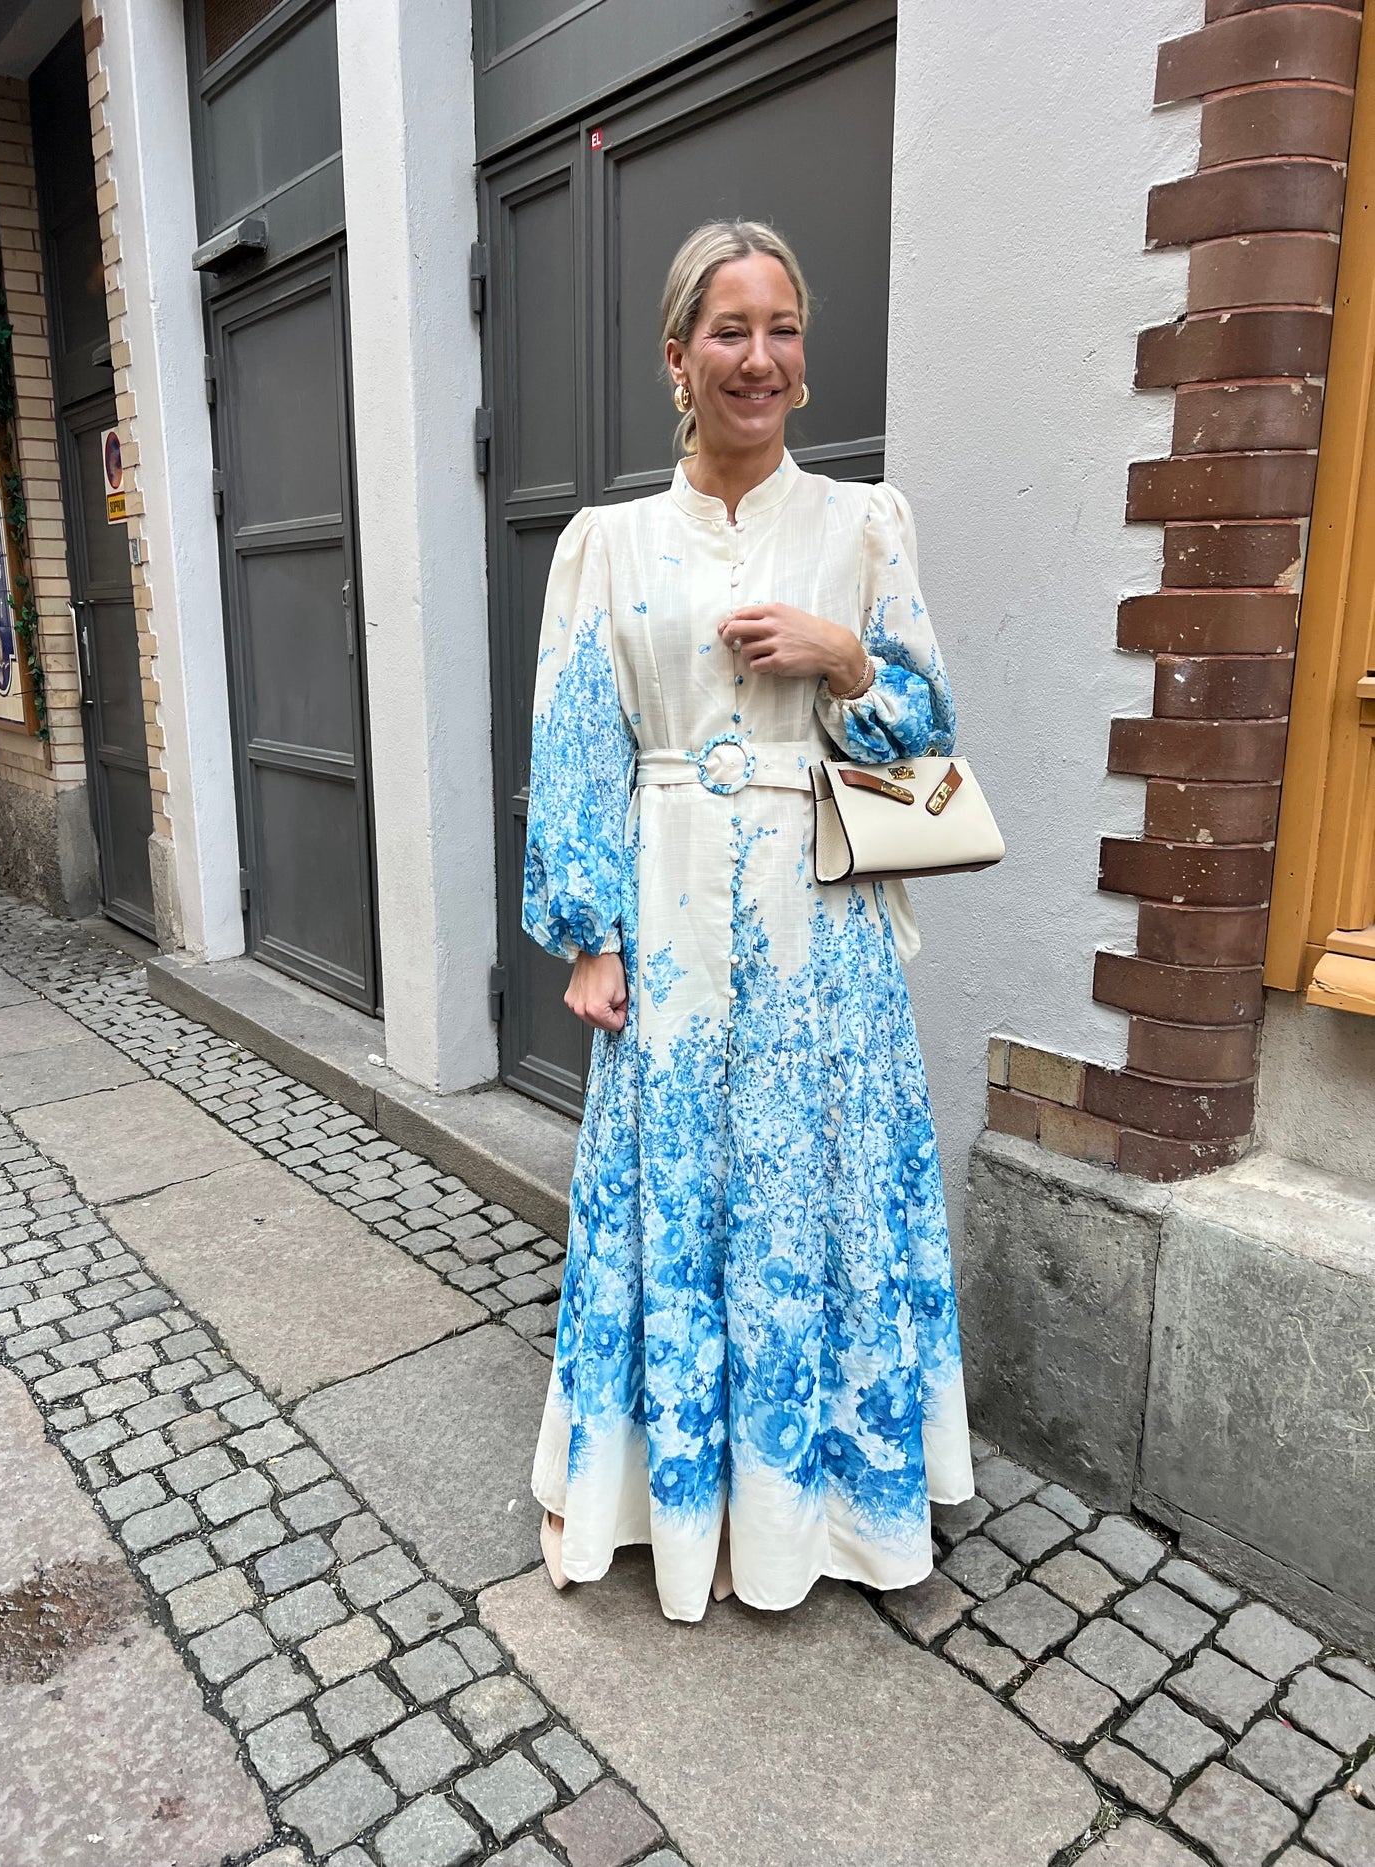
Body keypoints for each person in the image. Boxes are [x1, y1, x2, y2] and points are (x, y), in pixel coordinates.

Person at [521, 218, 973, 1624]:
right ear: (678, 358)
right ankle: (669, 1503)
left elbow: (930, 737)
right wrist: (588, 933)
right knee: (671, 1199)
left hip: (820, 929)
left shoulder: (861, 527)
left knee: (816, 1198)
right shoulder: (607, 545)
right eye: (730, 331)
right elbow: (577, 738)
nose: (759, 357)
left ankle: (831, 1509)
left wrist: (845, 657)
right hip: (663, 924)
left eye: (781, 330)